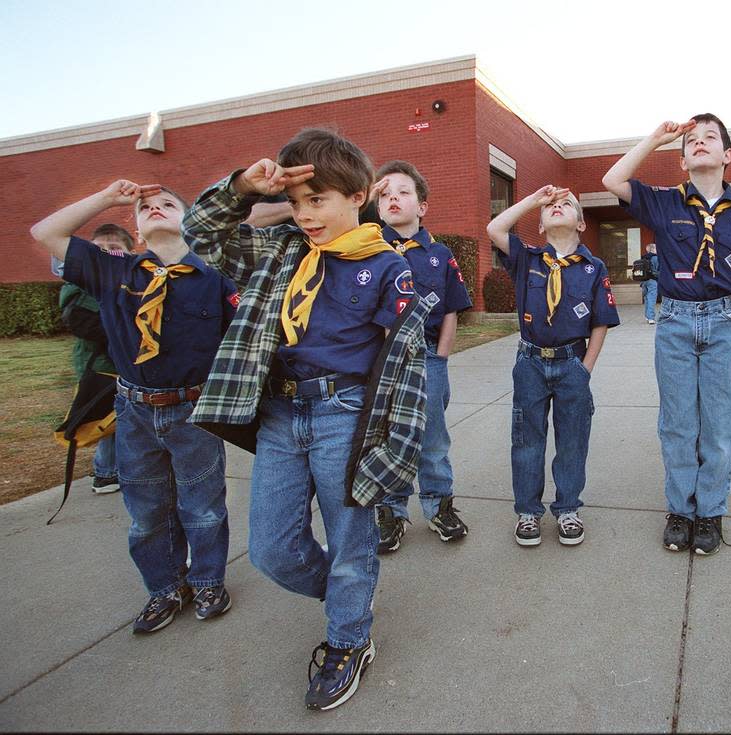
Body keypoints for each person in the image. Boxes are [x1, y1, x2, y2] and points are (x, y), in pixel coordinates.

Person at [181, 128, 429, 712]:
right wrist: (245, 187)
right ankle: (351, 594)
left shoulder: (390, 268)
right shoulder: (281, 252)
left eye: (317, 200)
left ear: (359, 195)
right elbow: (202, 233)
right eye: (296, 203)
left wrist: (393, 449)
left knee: (349, 538)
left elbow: (405, 369)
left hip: (345, 412)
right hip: (279, 412)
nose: (304, 214)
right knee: (271, 548)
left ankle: (348, 636)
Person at [31, 181, 236, 634]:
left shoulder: (214, 276)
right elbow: (45, 232)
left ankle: (206, 580)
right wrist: (107, 198)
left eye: (168, 204)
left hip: (193, 411)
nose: (156, 208)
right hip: (135, 411)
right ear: (137, 228)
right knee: (146, 512)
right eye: (146, 207)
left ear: (191, 223)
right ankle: (164, 587)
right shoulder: (114, 271)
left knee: (203, 506)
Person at [602, 114, 731, 555]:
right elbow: (612, 179)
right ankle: (681, 509)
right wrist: (656, 138)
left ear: (728, 156)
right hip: (676, 324)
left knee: (720, 426)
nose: (700, 144)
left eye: (710, 138)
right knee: (678, 424)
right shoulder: (665, 203)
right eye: (692, 141)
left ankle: (711, 511)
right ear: (682, 160)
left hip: (725, 322)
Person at [487, 185, 620, 547]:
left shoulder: (594, 268)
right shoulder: (528, 259)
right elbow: (495, 230)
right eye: (552, 207)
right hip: (530, 362)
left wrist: (586, 368)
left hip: (572, 362)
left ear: (581, 224)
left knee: (573, 441)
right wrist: (534, 200)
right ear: (541, 226)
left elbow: (600, 321)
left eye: (566, 205)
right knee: (527, 440)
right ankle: (528, 512)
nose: (557, 207)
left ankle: (567, 508)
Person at [370, 160, 473, 552]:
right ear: (376, 206)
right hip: (379, 361)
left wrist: (441, 358)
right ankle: (392, 510)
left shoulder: (440, 254)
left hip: (427, 357)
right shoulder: (367, 249)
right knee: (389, 440)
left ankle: (438, 504)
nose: (393, 198)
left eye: (403, 192)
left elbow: (450, 309)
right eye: (385, 194)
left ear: (422, 206)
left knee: (432, 439)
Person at [58, 223, 134, 494]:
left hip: (126, 365)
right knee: (108, 417)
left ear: (130, 251)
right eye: (99, 249)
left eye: (114, 248)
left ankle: (121, 470)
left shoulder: (133, 279)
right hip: (100, 366)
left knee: (125, 417)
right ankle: (105, 473)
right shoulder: (82, 283)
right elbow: (84, 321)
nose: (105, 253)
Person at [641, 242, 660, 323]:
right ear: (653, 249)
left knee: (647, 299)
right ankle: (651, 318)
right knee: (651, 299)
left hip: (643, 281)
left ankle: (647, 316)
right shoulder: (655, 258)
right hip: (652, 281)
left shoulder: (643, 258)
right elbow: (658, 270)